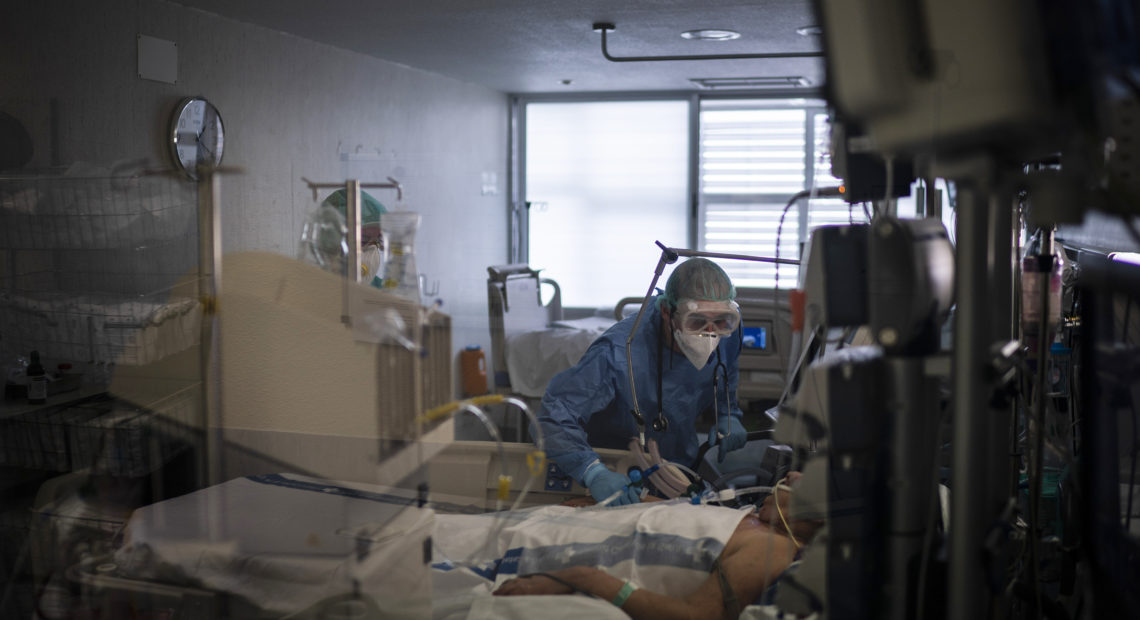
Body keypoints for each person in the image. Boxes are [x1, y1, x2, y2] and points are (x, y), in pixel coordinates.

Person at [536, 257, 748, 506]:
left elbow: (725, 373)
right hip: (617, 475)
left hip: (678, 468)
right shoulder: (616, 354)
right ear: (667, 312)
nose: (710, 333)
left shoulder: (727, 332)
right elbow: (552, 418)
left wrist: (727, 414)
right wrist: (592, 472)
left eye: (721, 322)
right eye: (696, 321)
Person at [492, 473, 822, 619]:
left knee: (448, 541)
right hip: (559, 526)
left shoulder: (773, 550)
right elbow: (688, 526)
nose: (793, 474)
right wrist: (621, 503)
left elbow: (696, 616)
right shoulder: (757, 521)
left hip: (534, 555)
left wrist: (584, 579)